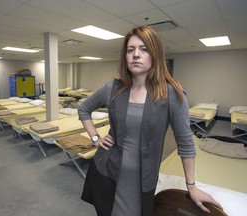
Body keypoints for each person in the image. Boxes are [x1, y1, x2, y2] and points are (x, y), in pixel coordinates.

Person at [78, 25, 222, 216]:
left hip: (141, 180)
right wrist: (96, 138)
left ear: (155, 54)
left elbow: (185, 142)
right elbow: (84, 109)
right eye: (131, 50)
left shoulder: (171, 93)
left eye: (144, 49)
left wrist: (191, 185)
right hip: (107, 172)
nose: (136, 54)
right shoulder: (113, 88)